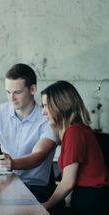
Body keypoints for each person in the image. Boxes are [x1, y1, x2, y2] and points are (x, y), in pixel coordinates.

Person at [0, 63, 57, 202]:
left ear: (32, 89)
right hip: (0, 184)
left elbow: (39, 156)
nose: (11, 98)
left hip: (33, 188)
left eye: (17, 92)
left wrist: (13, 164)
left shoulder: (47, 118)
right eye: (8, 92)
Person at [41, 81, 109, 215]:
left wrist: (46, 205)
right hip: (90, 197)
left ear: (60, 105)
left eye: (46, 106)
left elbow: (67, 183)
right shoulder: (77, 130)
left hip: (92, 201)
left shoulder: (74, 132)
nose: (43, 112)